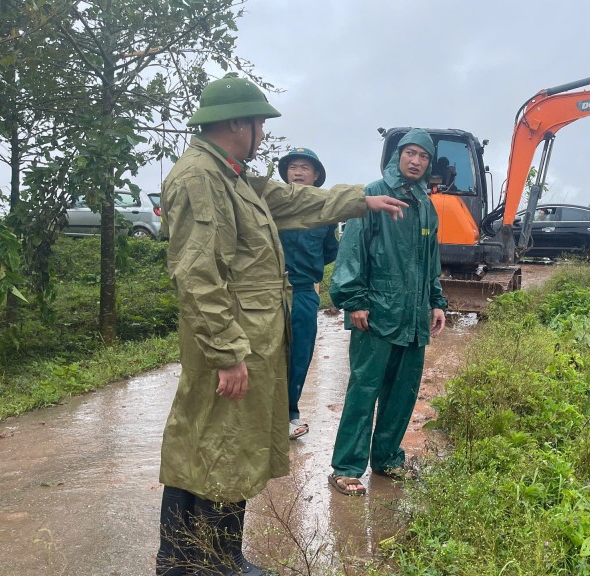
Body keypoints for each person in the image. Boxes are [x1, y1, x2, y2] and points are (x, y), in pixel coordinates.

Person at [155, 73, 406, 576]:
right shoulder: (201, 178)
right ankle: (214, 562)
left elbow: (295, 201)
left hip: (245, 336)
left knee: (205, 441)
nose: (264, 135)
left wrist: (363, 199)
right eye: (259, 124)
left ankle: (181, 561)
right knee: (228, 447)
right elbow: (198, 273)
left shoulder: (230, 174)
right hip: (232, 340)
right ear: (235, 123)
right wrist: (227, 352)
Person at [328, 128, 448, 497]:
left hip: (413, 316)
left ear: (429, 164)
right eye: (410, 153)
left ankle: (387, 459)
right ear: (397, 156)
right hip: (377, 311)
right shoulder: (373, 194)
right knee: (364, 388)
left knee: (403, 391)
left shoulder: (426, 205)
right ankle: (346, 467)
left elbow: (430, 261)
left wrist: (437, 301)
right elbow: (353, 249)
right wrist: (354, 300)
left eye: (423, 156)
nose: (415, 161)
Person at [276, 147, 338, 441]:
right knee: (264, 355)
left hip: (303, 292)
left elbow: (329, 253)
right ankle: (258, 416)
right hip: (269, 293)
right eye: (293, 167)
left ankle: (290, 414)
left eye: (304, 168)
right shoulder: (272, 207)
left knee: (299, 355)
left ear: (315, 176)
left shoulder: (325, 213)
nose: (298, 172)